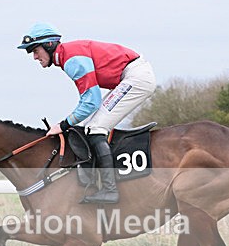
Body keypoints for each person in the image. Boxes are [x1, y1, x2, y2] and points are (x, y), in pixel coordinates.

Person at [17, 22, 156, 204]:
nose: (34, 57)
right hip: (131, 75)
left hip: (135, 77)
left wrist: (62, 125)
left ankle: (109, 189)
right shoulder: (67, 55)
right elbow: (88, 101)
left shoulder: (72, 60)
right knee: (88, 126)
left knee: (96, 127)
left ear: (49, 45)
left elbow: (91, 101)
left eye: (35, 50)